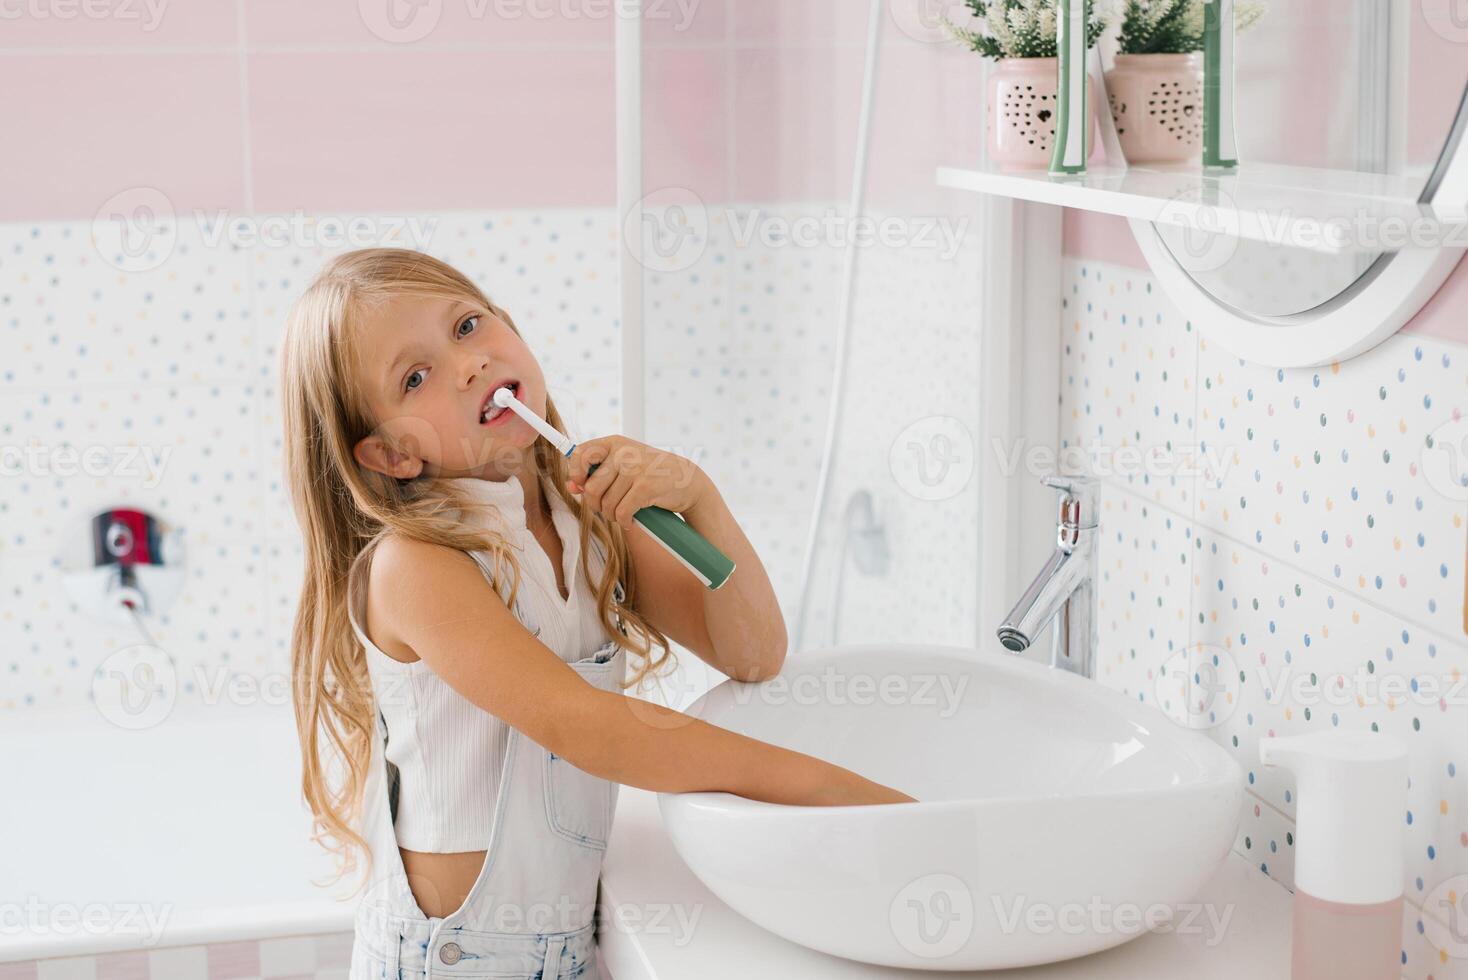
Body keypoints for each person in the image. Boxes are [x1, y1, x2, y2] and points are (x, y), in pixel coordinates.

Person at [279, 247, 916, 979]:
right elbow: (589, 728)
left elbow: (752, 654)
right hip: (453, 960)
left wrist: (700, 495)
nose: (467, 365)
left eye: (467, 325)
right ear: (391, 455)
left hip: (565, 942)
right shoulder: (415, 567)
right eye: (415, 377)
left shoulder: (585, 520)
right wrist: (823, 787)